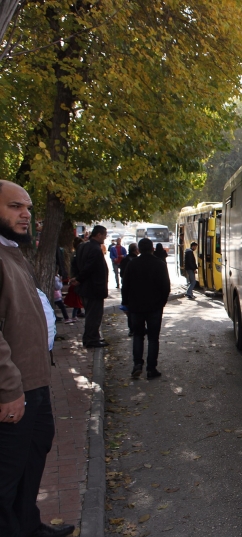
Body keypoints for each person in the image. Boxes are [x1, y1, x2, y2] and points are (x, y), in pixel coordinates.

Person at [0, 180, 75, 537]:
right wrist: (9, 389)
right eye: (15, 206)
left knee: (33, 456)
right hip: (16, 389)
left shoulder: (13, 252)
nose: (26, 214)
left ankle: (29, 526)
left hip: (36, 381)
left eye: (27, 207)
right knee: (9, 473)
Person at [122, 238, 170, 380]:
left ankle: (137, 364)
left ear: (139, 249)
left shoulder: (132, 264)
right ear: (152, 248)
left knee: (138, 335)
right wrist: (162, 302)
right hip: (154, 306)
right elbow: (166, 286)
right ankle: (151, 368)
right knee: (153, 338)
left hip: (136, 307)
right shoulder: (159, 264)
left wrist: (126, 304)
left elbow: (126, 286)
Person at [72, 225, 109, 348]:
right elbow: (89, 267)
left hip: (86, 288)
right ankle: (91, 339)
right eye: (104, 235)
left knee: (90, 315)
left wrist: (77, 277)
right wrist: (78, 279)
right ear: (98, 235)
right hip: (94, 288)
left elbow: (76, 263)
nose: (105, 237)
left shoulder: (83, 246)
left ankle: (93, 337)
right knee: (94, 316)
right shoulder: (95, 249)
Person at [119, 243, 139, 336]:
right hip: (135, 288)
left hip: (127, 288)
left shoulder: (125, 259)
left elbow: (121, 273)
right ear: (135, 250)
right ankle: (136, 328)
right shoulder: (136, 261)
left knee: (130, 311)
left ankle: (132, 329)